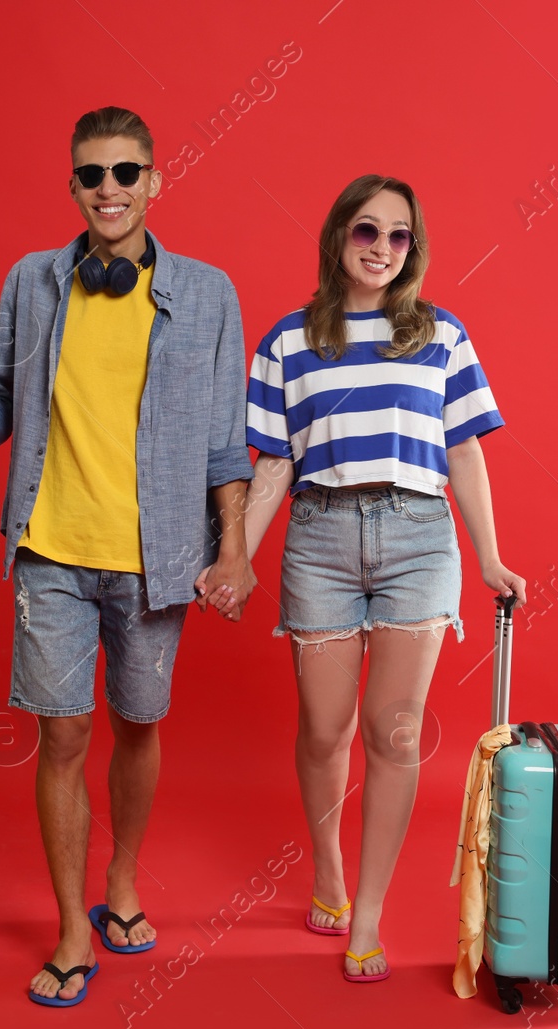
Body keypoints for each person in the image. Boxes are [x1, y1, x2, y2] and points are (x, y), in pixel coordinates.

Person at [0, 106, 255, 1007]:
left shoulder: (209, 294)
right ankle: (75, 924)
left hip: (158, 554)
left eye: (125, 172)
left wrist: (232, 547)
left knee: (140, 721)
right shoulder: (33, 283)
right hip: (51, 546)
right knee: (62, 732)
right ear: (72, 186)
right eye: (91, 175)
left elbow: (227, 443)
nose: (108, 188)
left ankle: (124, 877)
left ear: (155, 180)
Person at [225, 174, 527, 982]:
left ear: (413, 249)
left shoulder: (441, 335)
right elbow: (274, 463)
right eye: (367, 230)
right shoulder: (288, 340)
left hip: (418, 538)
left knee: (394, 734)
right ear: (338, 239)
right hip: (320, 535)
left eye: (399, 236)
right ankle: (325, 864)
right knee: (325, 729)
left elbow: (464, 449)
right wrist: (235, 555)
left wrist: (490, 555)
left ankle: (366, 914)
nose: (382, 249)